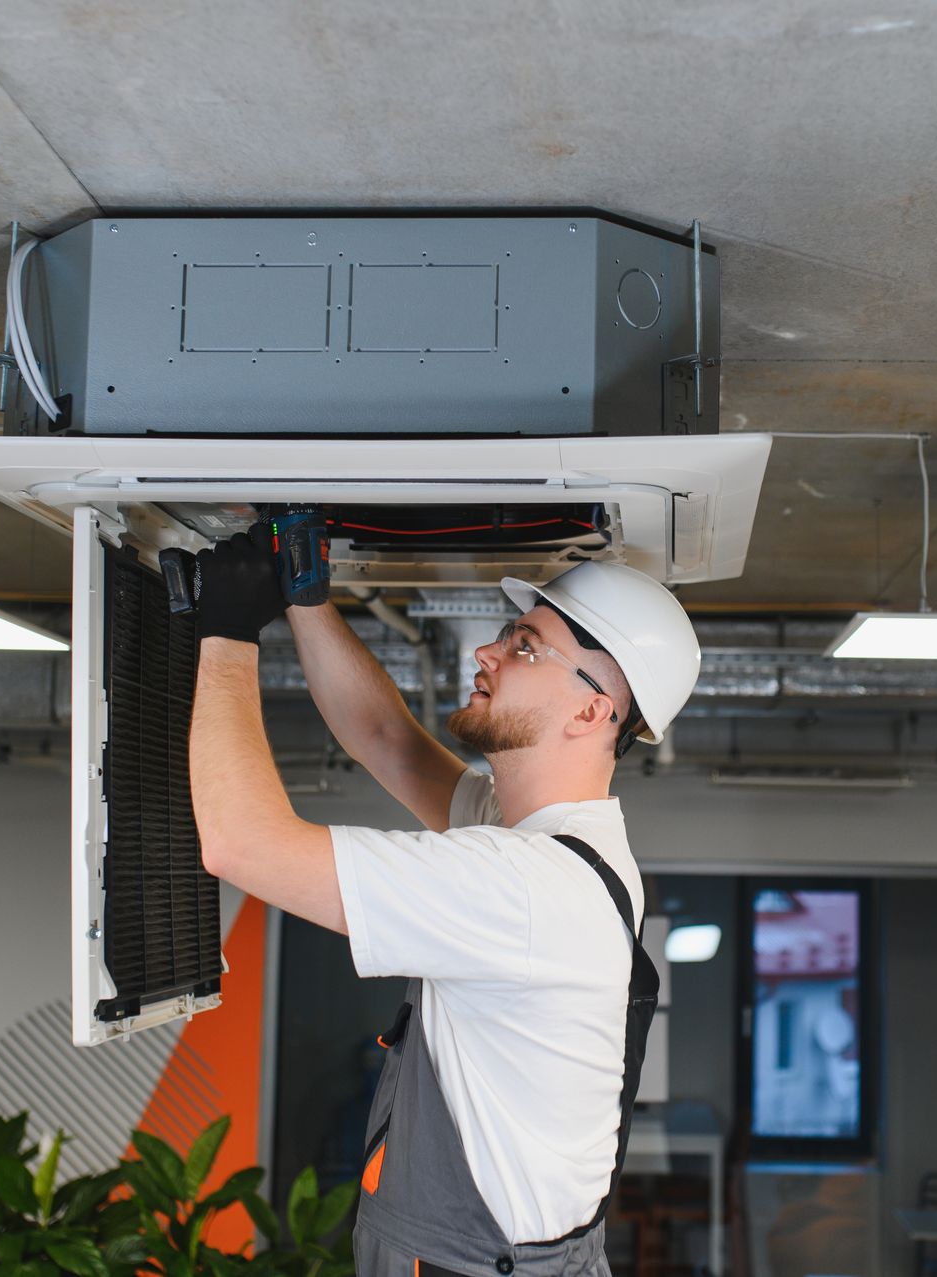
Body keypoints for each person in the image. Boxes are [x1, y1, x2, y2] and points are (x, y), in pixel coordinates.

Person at [186, 532, 700, 1277]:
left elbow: (241, 845)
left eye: (525, 647)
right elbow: (387, 739)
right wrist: (305, 595)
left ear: (592, 711)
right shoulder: (552, 840)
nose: (487, 655)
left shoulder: (524, 888)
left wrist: (226, 630)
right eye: (506, 635)